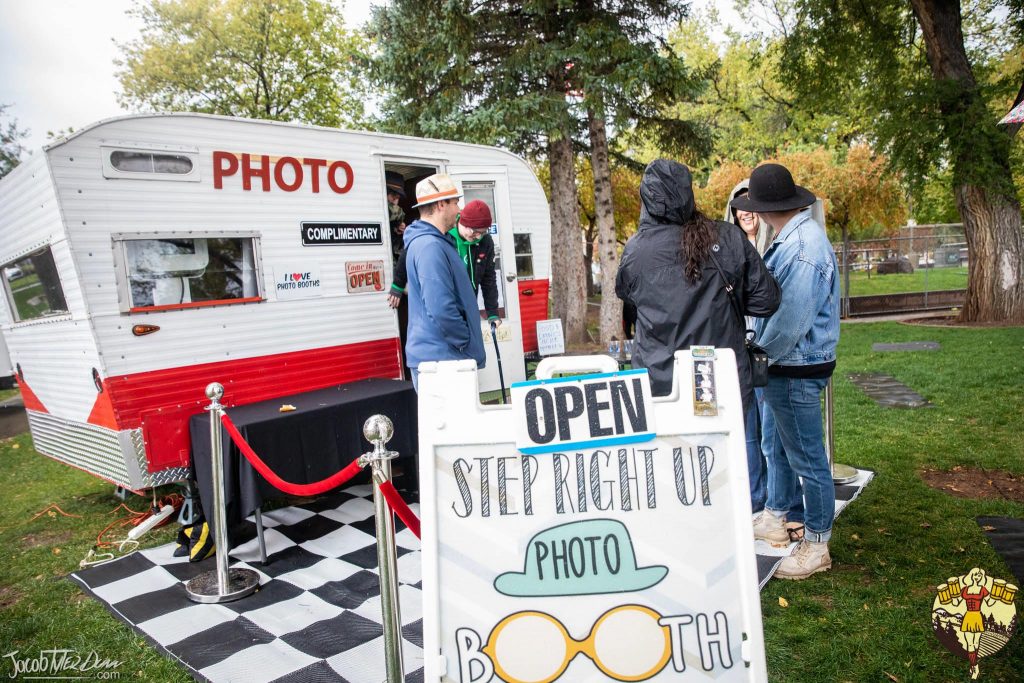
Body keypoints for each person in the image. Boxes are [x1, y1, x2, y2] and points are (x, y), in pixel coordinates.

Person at [615, 159, 780, 442]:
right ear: (688, 193)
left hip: (662, 383)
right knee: (735, 469)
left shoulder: (636, 251)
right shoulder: (727, 237)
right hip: (722, 380)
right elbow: (766, 300)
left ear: (646, 198)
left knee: (674, 469)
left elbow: (630, 298)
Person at [732, 163, 840, 580]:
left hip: (794, 365)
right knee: (777, 446)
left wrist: (756, 353)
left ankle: (817, 543)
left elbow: (790, 320)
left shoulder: (802, 247)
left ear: (763, 207)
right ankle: (777, 515)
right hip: (787, 364)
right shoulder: (792, 237)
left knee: (809, 459)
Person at [724, 181, 785, 520]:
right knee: (748, 430)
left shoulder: (774, 248)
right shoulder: (726, 248)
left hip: (769, 348)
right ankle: (754, 498)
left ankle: (777, 501)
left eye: (750, 204)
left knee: (770, 432)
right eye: (738, 205)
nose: (745, 211)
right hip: (739, 347)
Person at [402, 173, 486, 390]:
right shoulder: (430, 246)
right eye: (456, 202)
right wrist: (464, 342)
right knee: (454, 425)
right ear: (441, 204)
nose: (459, 210)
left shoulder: (432, 242)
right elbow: (440, 308)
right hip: (442, 361)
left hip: (442, 358)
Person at [390, 199, 501, 326]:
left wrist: (492, 312)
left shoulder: (485, 242)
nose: (477, 236)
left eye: (482, 232)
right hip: (445, 302)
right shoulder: (444, 233)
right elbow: (409, 252)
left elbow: (489, 278)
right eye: (473, 231)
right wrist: (398, 285)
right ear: (462, 222)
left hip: (468, 302)